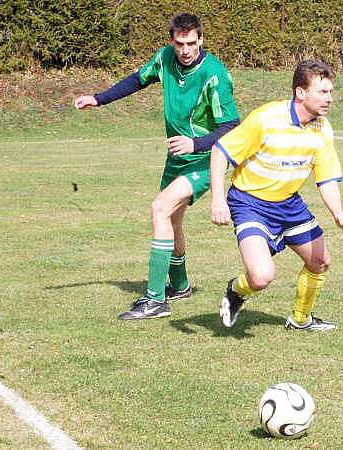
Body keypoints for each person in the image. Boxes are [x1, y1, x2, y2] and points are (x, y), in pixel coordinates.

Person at [74, 13, 240, 320]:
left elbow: (232, 125)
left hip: (206, 159)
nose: (186, 49)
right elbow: (138, 79)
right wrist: (98, 99)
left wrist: (196, 144)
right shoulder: (166, 58)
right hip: (176, 158)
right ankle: (180, 285)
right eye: (180, 43)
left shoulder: (214, 74)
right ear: (172, 41)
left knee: (160, 208)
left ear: (200, 40)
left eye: (192, 43)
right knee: (173, 219)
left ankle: (154, 300)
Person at [210, 59, 343, 331]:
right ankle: (236, 291)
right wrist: (217, 199)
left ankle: (300, 319)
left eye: (330, 92)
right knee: (261, 277)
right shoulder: (266, 118)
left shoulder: (322, 128)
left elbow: (327, 179)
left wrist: (338, 212)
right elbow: (220, 151)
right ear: (301, 93)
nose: (329, 98)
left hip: (288, 204)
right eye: (323, 92)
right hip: (249, 203)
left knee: (320, 260)